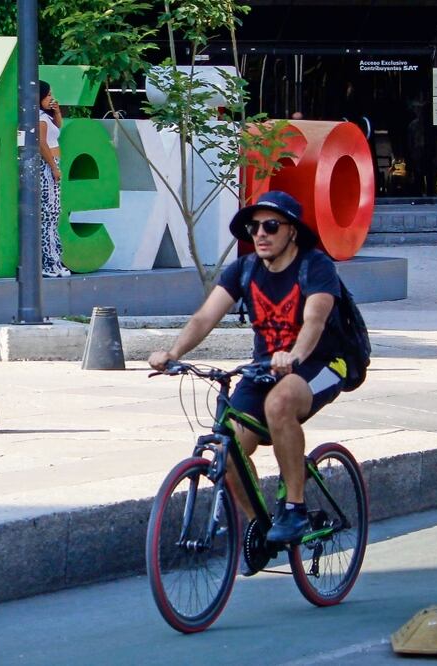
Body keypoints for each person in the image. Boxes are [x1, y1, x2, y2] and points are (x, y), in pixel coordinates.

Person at [147, 190, 345, 562]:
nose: (260, 234)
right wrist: (174, 353)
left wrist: (295, 355)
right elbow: (205, 317)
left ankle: (296, 508)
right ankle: (261, 528)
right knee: (229, 446)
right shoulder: (245, 270)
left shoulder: (315, 266)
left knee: (280, 402)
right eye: (253, 227)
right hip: (264, 369)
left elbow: (315, 320)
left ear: (292, 232)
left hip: (323, 363)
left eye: (271, 225)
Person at [38, 80, 69, 278]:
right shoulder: (39, 118)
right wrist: (53, 167)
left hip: (53, 163)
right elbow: (41, 143)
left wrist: (56, 111)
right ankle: (49, 262)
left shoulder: (45, 117)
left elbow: (56, 129)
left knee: (54, 213)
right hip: (48, 166)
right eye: (48, 95)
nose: (51, 98)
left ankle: (55, 259)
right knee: (49, 213)